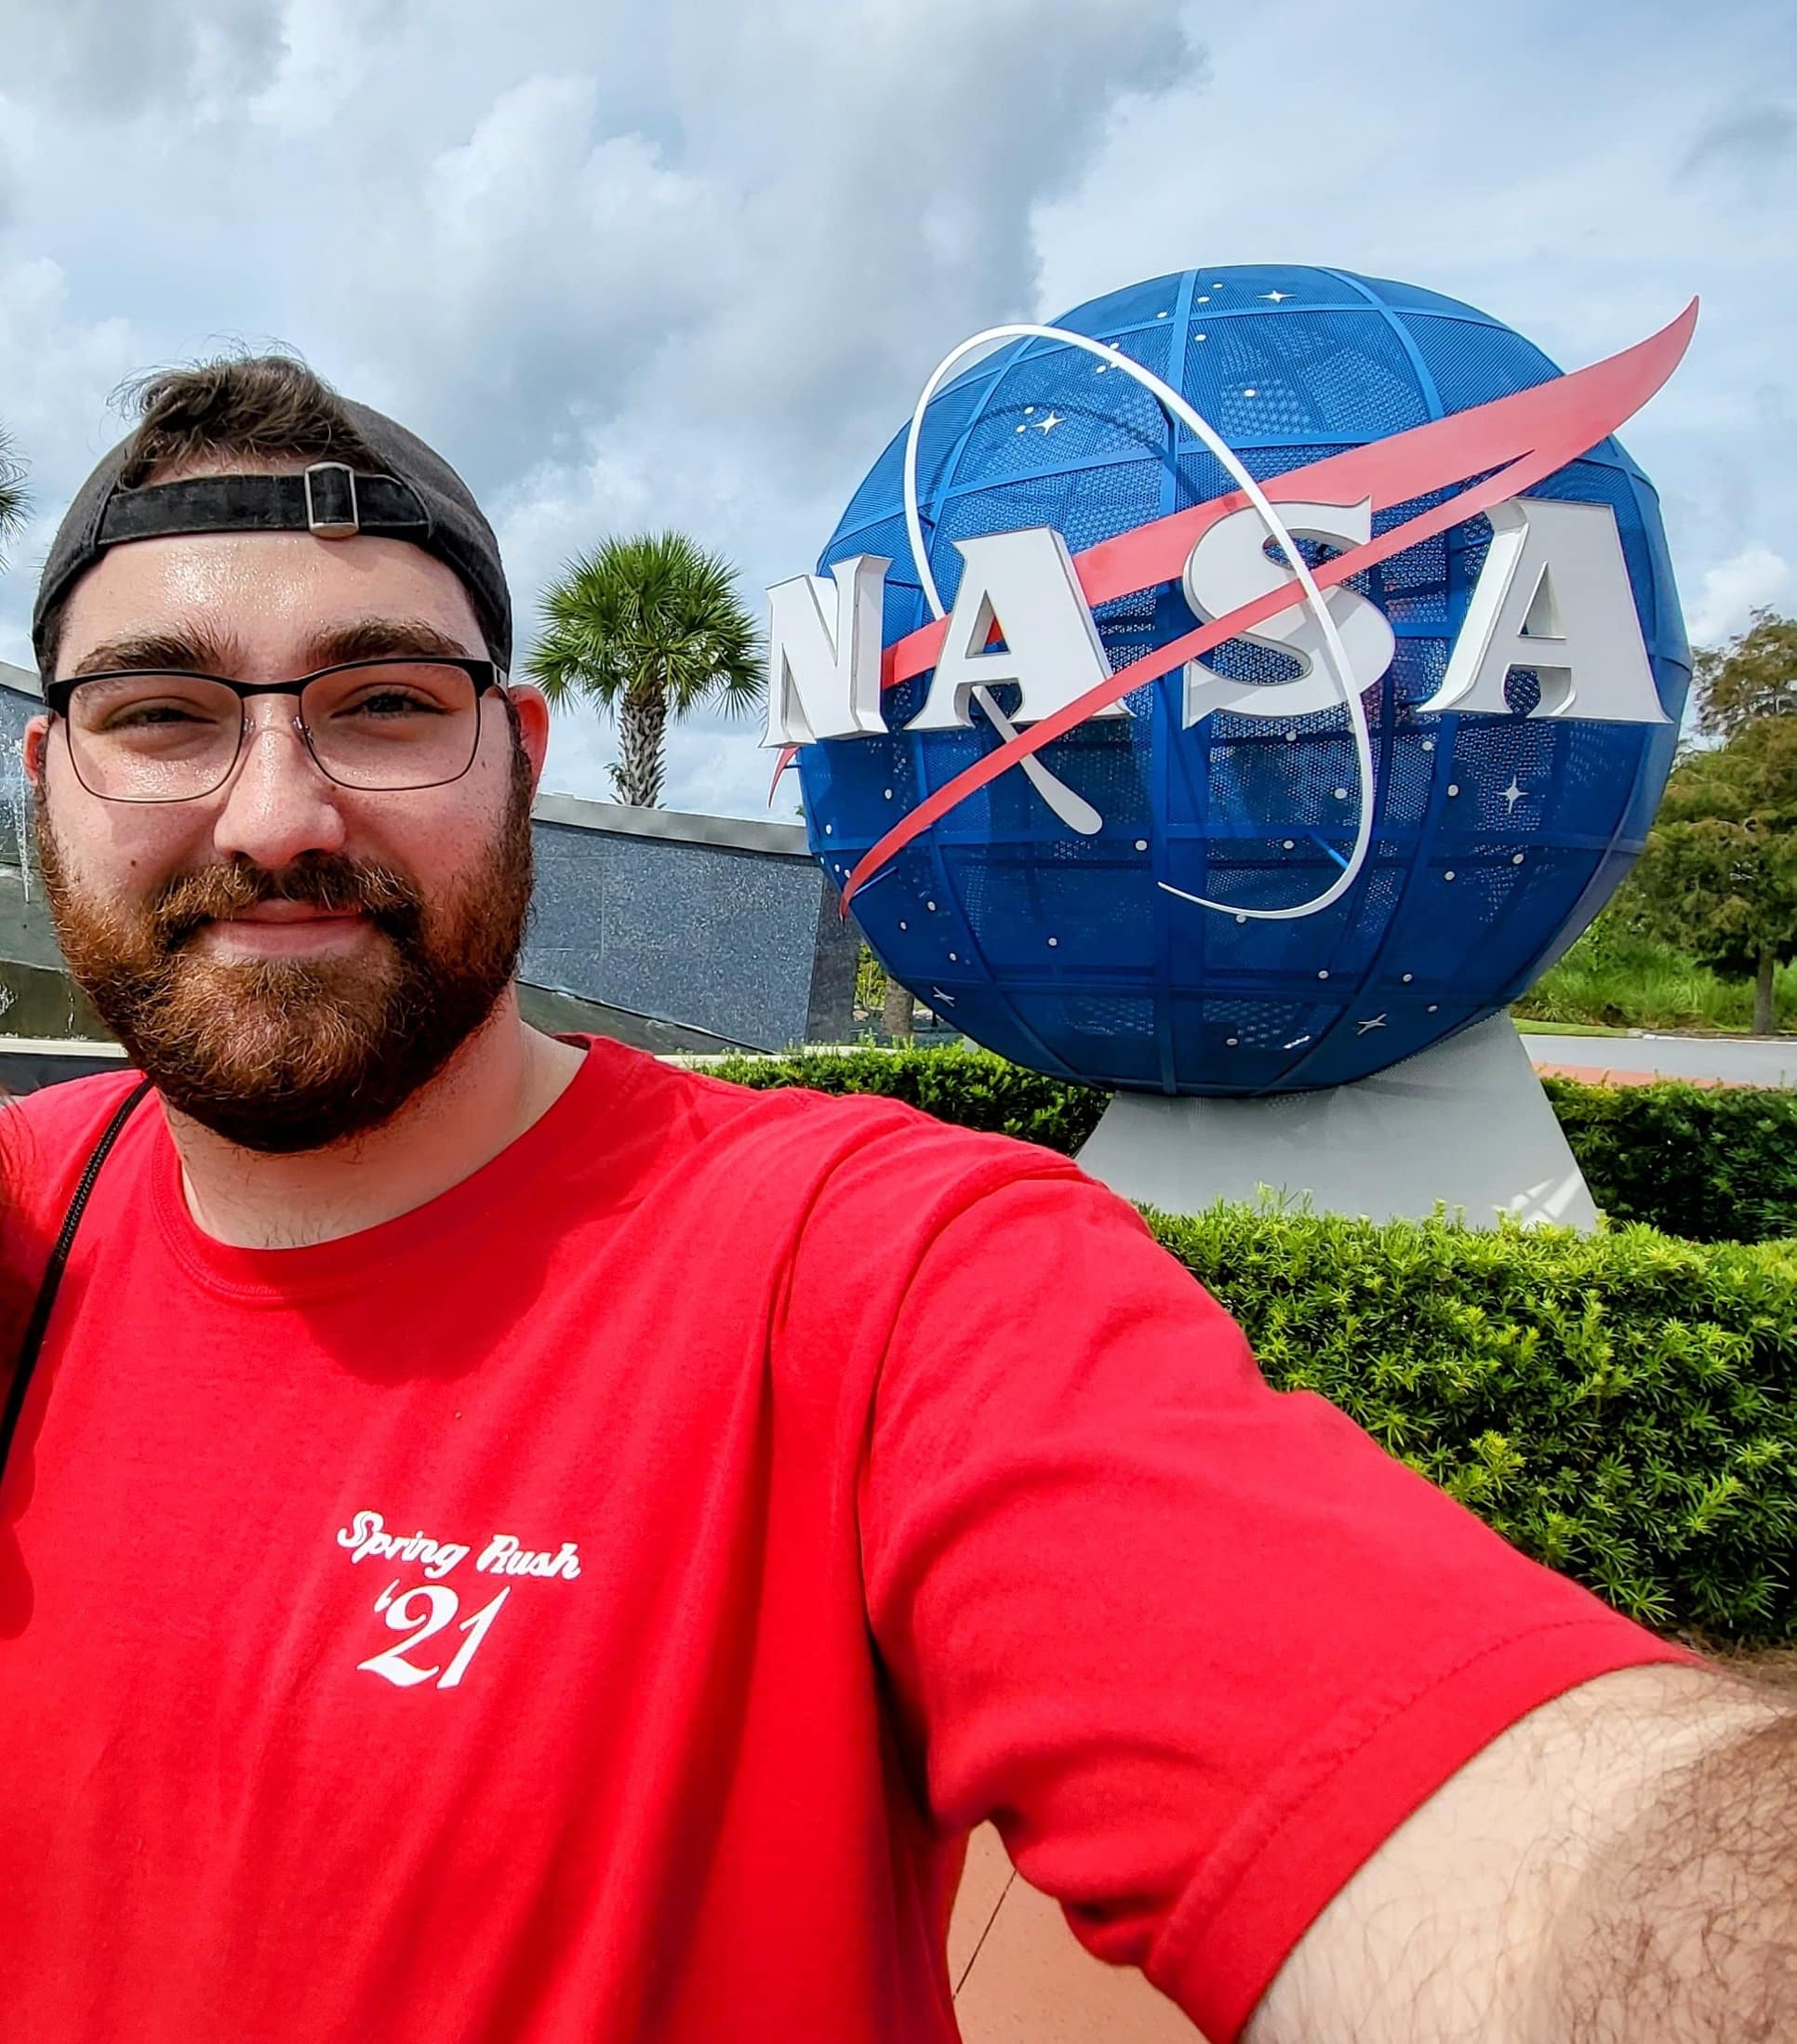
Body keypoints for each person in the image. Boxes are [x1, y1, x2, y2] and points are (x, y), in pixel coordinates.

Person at [0, 355, 1786, 2044]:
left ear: (523, 751)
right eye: (158, 715)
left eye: (384, 704)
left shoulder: (872, 1275)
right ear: (46, 785)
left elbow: (1520, 1837)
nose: (281, 812)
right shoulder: (29, 1212)